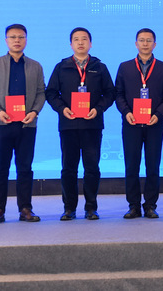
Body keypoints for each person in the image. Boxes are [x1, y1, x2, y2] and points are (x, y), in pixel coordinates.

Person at [46, 27, 115, 221]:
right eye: (76, 39)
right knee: (69, 168)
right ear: (71, 44)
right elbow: (51, 93)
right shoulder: (61, 67)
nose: (80, 42)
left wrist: (98, 109)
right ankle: (69, 208)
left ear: (90, 43)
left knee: (92, 168)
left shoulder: (99, 67)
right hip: (68, 125)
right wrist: (62, 109)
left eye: (84, 39)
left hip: (92, 125)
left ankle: (91, 208)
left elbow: (110, 93)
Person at [0, 24, 46, 225]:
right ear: (6, 40)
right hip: (2, 124)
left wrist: (34, 112)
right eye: (13, 37)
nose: (17, 40)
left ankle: (25, 209)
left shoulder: (35, 66)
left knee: (25, 168)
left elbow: (41, 93)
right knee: (0, 168)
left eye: (21, 37)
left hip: (26, 125)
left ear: (26, 40)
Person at [114, 28, 163, 219]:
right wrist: (126, 112)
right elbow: (118, 94)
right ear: (136, 43)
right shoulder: (125, 67)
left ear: (155, 44)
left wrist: (159, 114)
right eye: (141, 40)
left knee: (153, 165)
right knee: (131, 166)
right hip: (131, 123)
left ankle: (150, 205)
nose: (145, 43)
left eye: (149, 40)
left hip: (155, 123)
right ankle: (133, 205)